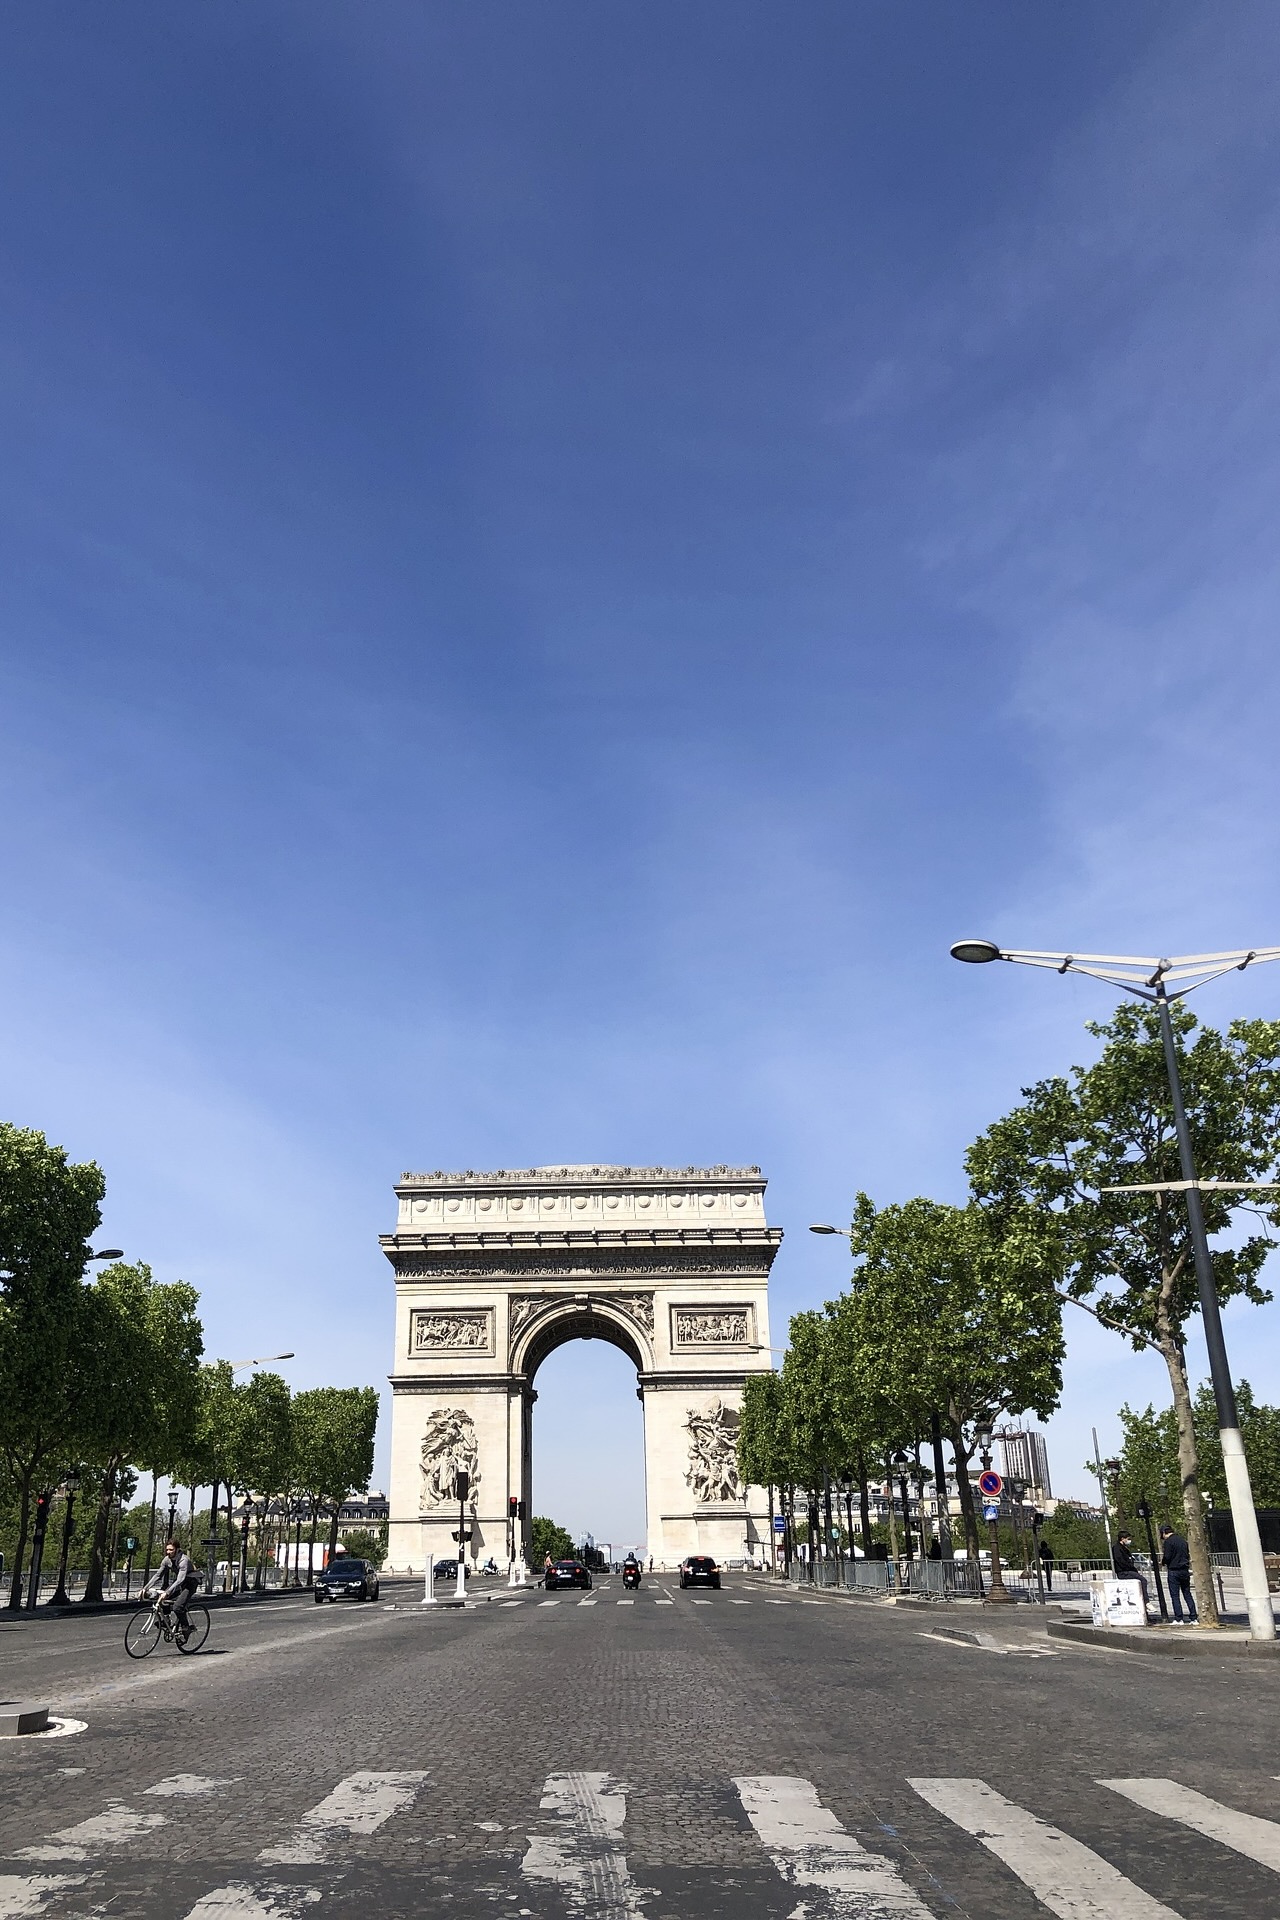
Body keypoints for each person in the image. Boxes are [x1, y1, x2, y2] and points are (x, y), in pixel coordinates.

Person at [144, 1538, 199, 1641]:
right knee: (161, 1598)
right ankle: (167, 1621)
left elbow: (180, 1579)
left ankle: (186, 1628)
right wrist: (145, 1588)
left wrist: (167, 1592)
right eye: (167, 1550)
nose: (168, 1552)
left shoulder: (184, 1560)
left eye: (171, 1550)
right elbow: (158, 1575)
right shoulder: (166, 1560)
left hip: (190, 1583)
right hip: (179, 1583)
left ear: (177, 1550)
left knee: (178, 1607)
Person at [1160, 1523, 1198, 1624]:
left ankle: (1179, 1618)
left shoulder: (1168, 1542)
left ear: (1164, 1533)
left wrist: (1163, 1562)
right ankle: (1193, 1617)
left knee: (1175, 1596)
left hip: (1174, 1570)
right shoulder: (1182, 1541)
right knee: (1187, 1593)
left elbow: (1167, 1556)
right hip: (1184, 1570)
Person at [1113, 1530, 1149, 1614]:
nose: (1129, 1541)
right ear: (1122, 1539)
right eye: (1128, 1539)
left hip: (1129, 1570)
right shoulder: (1117, 1548)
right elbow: (1121, 1561)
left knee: (1141, 1580)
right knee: (1142, 1580)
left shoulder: (1124, 1548)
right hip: (1124, 1571)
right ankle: (1146, 1601)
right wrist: (1130, 1566)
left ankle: (1145, 1603)